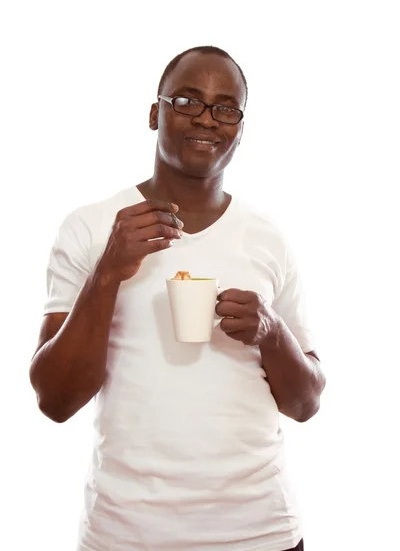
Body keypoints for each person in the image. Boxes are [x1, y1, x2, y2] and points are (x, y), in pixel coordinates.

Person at [30, 45, 326, 551]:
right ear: (154, 113)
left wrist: (272, 333)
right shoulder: (91, 227)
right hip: (126, 536)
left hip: (262, 533)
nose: (207, 119)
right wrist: (108, 273)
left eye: (225, 107)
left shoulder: (267, 238)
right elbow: (55, 401)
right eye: (186, 101)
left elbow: (306, 404)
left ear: (239, 128)